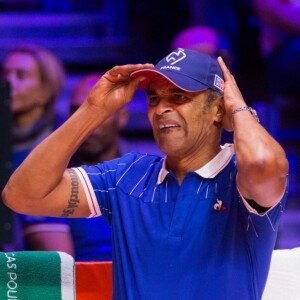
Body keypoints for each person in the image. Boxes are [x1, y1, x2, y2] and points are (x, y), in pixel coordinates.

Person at [2, 48, 289, 299]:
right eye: (154, 99)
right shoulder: (127, 175)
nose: (162, 108)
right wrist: (93, 110)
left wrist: (238, 108)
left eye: (178, 97)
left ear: (217, 108)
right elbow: (22, 195)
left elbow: (264, 164)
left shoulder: (240, 177)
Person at [1, 43, 73, 254]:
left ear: (45, 92)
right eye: (5, 74)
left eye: (20, 76)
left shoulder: (67, 142)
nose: (8, 82)